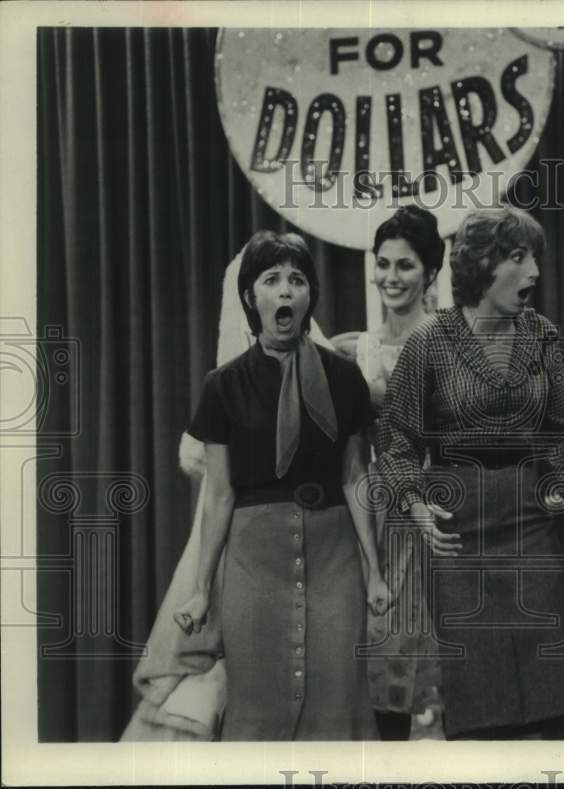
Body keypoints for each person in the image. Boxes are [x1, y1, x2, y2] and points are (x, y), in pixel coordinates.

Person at [375, 206, 564, 740]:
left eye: (534, 257)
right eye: (518, 257)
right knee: (481, 718)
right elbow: (397, 441)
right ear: (481, 264)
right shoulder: (430, 342)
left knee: (559, 707)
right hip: (458, 537)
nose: (534, 271)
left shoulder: (540, 335)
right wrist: (416, 505)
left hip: (533, 529)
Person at [172, 230, 389, 741]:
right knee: (258, 711)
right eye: (272, 279)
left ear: (311, 294)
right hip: (254, 566)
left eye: (297, 279)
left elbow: (355, 476)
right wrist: (201, 590)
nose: (286, 290)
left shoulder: (344, 378)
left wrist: (375, 572)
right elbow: (219, 494)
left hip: (335, 562)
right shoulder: (223, 386)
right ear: (251, 297)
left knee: (338, 705)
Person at [352, 206, 445, 741]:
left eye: (405, 265)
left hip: (439, 507)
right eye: (383, 264)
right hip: (378, 518)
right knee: (385, 671)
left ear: (430, 272)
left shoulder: (448, 340)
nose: (391, 277)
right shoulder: (361, 348)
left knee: (446, 669)